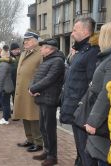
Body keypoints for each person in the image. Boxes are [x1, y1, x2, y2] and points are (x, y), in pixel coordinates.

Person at [59, 17, 100, 166]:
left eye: (75, 29)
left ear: (84, 30)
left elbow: (93, 85)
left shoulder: (92, 52)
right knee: (80, 150)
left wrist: (82, 106)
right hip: (74, 108)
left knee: (86, 152)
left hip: (82, 111)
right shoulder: (81, 51)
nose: (72, 33)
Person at [29, 38, 65, 166]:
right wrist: (31, 88)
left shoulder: (57, 61)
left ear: (50, 49)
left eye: (43, 47)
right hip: (42, 98)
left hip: (50, 99)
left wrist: (33, 88)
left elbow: (49, 79)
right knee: (43, 127)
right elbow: (37, 76)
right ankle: (47, 151)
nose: (41, 49)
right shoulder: (47, 60)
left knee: (49, 129)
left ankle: (52, 156)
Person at [83, 21, 111, 166]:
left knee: (102, 157)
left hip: (104, 124)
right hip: (104, 121)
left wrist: (93, 121)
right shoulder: (107, 58)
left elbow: (107, 92)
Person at [13, 31, 43, 152]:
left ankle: (38, 142)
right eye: (25, 40)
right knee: (24, 115)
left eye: (29, 40)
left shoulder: (40, 53)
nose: (25, 42)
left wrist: (38, 88)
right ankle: (30, 139)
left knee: (34, 116)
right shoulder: (24, 53)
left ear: (36, 41)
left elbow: (42, 73)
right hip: (22, 89)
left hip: (33, 90)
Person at [0, 47, 14, 125]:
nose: (0, 53)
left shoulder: (3, 64)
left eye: (2, 52)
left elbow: (1, 77)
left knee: (5, 103)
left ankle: (5, 118)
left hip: (4, 86)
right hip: (9, 85)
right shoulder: (9, 62)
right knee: (7, 102)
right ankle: (8, 115)